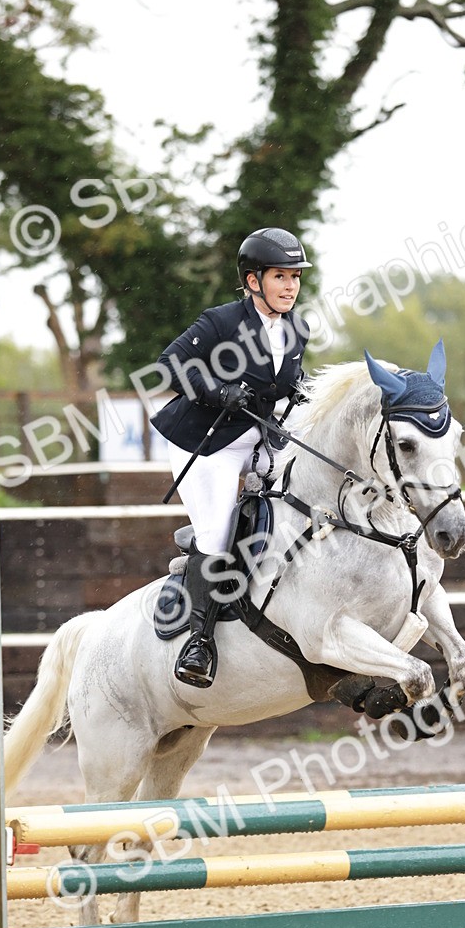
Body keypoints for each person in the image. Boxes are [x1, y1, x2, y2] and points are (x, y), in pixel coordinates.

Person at [150, 227, 313, 688]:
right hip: (207, 443)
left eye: (295, 277)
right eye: (280, 276)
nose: (290, 286)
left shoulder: (298, 328)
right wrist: (217, 390)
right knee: (218, 529)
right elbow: (169, 364)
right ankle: (199, 641)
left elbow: (282, 380)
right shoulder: (221, 321)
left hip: (259, 441)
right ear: (253, 280)